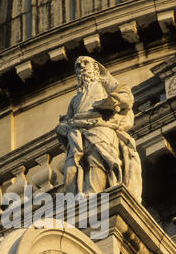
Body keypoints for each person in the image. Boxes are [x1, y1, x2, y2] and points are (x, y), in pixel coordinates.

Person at [56, 56, 142, 202]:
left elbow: (124, 94)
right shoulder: (75, 98)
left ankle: (93, 192)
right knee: (75, 165)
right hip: (77, 132)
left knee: (96, 160)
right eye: (78, 65)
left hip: (101, 126)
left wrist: (113, 101)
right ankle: (77, 193)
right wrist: (62, 127)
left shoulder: (104, 83)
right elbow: (68, 119)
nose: (81, 67)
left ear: (96, 67)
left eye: (85, 63)